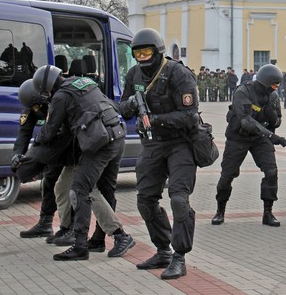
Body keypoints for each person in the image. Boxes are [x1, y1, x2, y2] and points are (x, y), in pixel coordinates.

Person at [118, 28, 200, 280]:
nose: (142, 57)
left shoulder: (178, 73)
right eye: (137, 52)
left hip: (180, 143)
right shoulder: (134, 74)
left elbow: (189, 115)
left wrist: (155, 119)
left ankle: (179, 256)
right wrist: (131, 105)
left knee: (178, 199)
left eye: (147, 51)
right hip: (152, 145)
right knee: (145, 199)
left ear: (158, 51)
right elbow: (122, 107)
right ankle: (163, 249)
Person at [31, 64, 127, 261]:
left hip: (100, 142)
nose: (47, 95)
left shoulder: (60, 96)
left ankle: (86, 243)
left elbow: (50, 131)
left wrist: (36, 145)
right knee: (103, 190)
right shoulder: (85, 82)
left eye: (46, 92)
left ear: (48, 87)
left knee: (79, 190)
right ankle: (98, 240)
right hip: (117, 136)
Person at [211, 64, 286, 227]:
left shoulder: (273, 97)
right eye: (274, 84)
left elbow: (278, 120)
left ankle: (268, 212)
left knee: (271, 171)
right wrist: (271, 135)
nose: (276, 88)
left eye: (278, 85)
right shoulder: (243, 92)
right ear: (265, 82)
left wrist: (274, 119)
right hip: (238, 137)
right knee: (227, 175)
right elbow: (246, 121)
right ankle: (220, 211)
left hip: (260, 138)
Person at [11, 79, 64, 240]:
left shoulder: (58, 102)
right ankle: (45, 223)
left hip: (68, 146)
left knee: (65, 189)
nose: (35, 110)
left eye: (36, 106)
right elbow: (24, 132)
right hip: (52, 145)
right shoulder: (31, 106)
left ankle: (69, 228)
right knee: (48, 183)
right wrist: (18, 154)